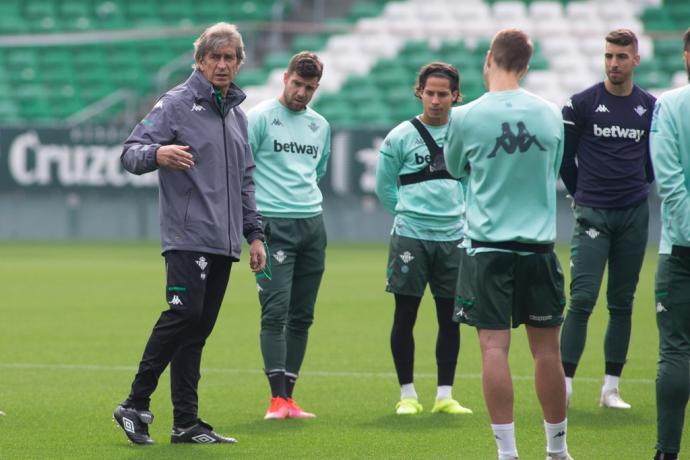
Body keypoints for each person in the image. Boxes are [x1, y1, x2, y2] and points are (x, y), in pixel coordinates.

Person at [113, 22, 266, 445]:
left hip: (223, 240)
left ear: (239, 63)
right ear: (199, 61)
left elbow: (246, 181)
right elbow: (130, 153)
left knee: (196, 331)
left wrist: (254, 235)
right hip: (186, 234)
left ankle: (187, 423)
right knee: (183, 315)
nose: (222, 64)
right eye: (214, 57)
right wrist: (158, 152)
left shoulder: (236, 114)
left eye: (229, 57)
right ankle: (134, 403)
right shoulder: (177, 103)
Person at [445, 29, 572, 460]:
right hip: (538, 248)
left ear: (489, 59)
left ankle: (507, 453)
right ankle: (557, 450)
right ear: (526, 65)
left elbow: (454, 166)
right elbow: (552, 169)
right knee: (547, 352)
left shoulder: (465, 116)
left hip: (487, 248)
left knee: (494, 349)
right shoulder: (550, 113)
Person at [558, 29, 656, 409]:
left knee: (622, 302)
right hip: (593, 215)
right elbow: (566, 161)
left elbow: (650, 164)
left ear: (635, 59)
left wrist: (631, 188)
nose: (613, 63)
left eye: (621, 56)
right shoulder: (581, 104)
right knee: (581, 299)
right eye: (608, 56)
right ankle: (565, 384)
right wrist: (583, 194)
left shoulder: (649, 106)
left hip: (633, 214)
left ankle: (610, 388)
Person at [375, 62, 472, 416]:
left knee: (451, 318)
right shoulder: (399, 136)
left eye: (443, 94)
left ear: (455, 96)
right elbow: (384, 186)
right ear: (419, 92)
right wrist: (407, 214)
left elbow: (470, 183)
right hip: (411, 237)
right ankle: (408, 395)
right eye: (429, 93)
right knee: (405, 315)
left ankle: (445, 395)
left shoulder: (464, 134)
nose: (435, 100)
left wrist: (462, 215)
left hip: (453, 238)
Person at [247, 51, 330, 420]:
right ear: (285, 78)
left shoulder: (320, 125)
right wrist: (252, 231)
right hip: (272, 226)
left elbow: (317, 171)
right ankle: (275, 398)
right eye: (297, 84)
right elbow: (241, 174)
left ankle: (289, 399)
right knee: (274, 311)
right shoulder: (260, 118)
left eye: (309, 88)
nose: (301, 93)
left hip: (312, 225)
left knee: (302, 315)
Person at [650, 27, 690, 460]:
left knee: (676, 350)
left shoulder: (670, 105)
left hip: (680, 250)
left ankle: (667, 453)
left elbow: (671, 183)